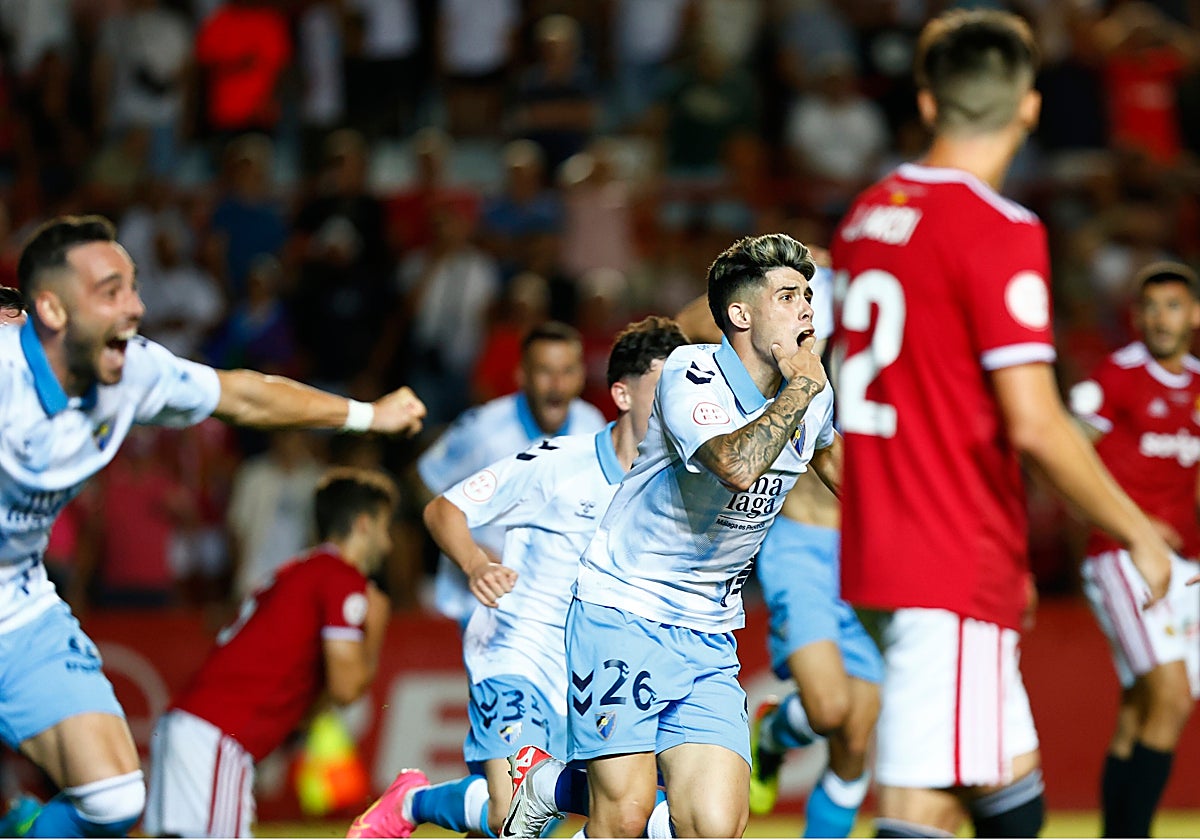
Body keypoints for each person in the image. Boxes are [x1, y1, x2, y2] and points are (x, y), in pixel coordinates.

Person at [830, 11, 1173, 838]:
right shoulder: (1000, 230)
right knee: (923, 809)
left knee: (1006, 782)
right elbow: (1034, 420)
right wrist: (1136, 530)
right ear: (1028, 108)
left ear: (925, 101)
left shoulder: (864, 220)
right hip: (948, 558)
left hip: (884, 546)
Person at [0, 215, 424, 838]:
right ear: (51, 310)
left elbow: (246, 394)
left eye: (134, 288)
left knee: (115, 800)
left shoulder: (134, 373)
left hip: (18, 608)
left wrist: (366, 415)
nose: (137, 308)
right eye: (111, 291)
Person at [509, 232, 837, 839]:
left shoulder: (812, 399)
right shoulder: (691, 374)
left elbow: (854, 485)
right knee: (626, 816)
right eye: (788, 296)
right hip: (623, 608)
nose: (807, 310)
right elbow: (737, 465)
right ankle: (548, 789)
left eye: (808, 297)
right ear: (740, 315)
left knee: (714, 825)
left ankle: (553, 783)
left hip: (708, 630)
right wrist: (801, 389)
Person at [346, 316, 690, 839]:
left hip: (595, 665)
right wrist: (476, 564)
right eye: (663, 387)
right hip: (519, 645)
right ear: (622, 394)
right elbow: (442, 507)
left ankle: (431, 799)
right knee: (519, 819)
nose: (677, 401)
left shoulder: (676, 479)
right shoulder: (558, 461)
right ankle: (416, 802)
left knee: (594, 816)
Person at [675, 264, 882, 837]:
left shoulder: (923, 352)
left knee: (856, 737)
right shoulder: (821, 322)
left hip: (870, 554)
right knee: (827, 710)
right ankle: (770, 734)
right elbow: (690, 323)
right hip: (804, 541)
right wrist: (765, 287)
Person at [144, 467, 397, 837]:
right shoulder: (341, 578)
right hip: (220, 737)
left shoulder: (298, 570)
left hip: (189, 728)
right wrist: (374, 630)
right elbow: (345, 690)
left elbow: (311, 708)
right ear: (363, 524)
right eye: (385, 528)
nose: (389, 544)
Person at [1069, 261, 1200, 838]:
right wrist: (1137, 522)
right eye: (1150, 307)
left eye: (1173, 305)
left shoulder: (1197, 383)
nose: (1161, 318)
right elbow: (1071, 460)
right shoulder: (1115, 377)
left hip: (1183, 565)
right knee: (1172, 698)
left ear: (1194, 315)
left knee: (1140, 710)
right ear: (1136, 317)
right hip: (1120, 553)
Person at [415, 321, 606, 625]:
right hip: (479, 599)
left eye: (567, 371)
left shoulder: (592, 424)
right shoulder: (482, 429)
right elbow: (425, 483)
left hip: (552, 601)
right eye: (545, 371)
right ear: (522, 376)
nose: (557, 385)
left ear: (582, 376)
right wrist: (470, 549)